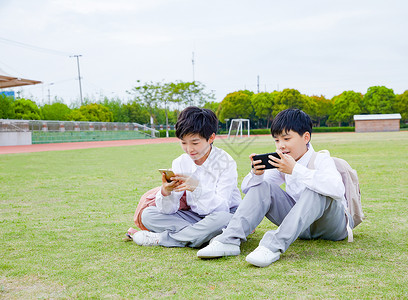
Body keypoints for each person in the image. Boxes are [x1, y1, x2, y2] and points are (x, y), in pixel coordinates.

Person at [197, 108, 353, 267]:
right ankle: (229, 240)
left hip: (332, 226)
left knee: (316, 189)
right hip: (302, 229)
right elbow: (250, 189)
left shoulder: (321, 159)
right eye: (277, 140)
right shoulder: (283, 162)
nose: (281, 145)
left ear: (306, 137)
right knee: (263, 186)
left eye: (286, 138)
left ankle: (272, 246)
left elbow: (337, 189)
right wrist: (257, 174)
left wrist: (296, 170)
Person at [132, 106, 241, 248]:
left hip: (221, 215)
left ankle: (165, 239)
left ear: (211, 138)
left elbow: (222, 208)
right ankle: (205, 237)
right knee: (148, 215)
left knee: (224, 219)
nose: (189, 149)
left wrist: (197, 188)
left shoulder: (225, 162)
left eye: (195, 143)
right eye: (183, 143)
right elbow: (169, 210)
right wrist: (166, 192)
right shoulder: (180, 162)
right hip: (193, 218)